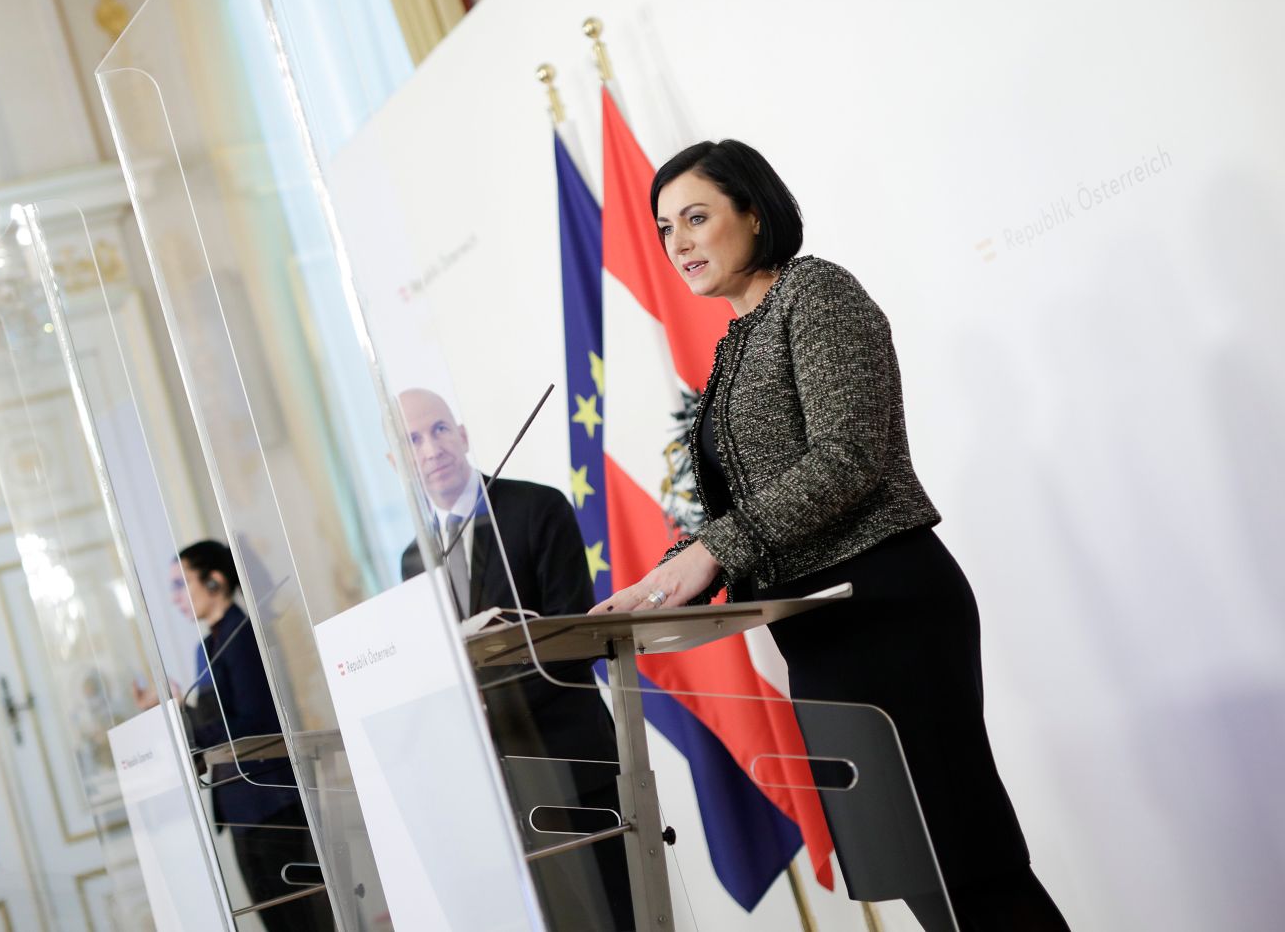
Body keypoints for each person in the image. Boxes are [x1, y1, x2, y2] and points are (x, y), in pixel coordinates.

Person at [593, 140, 1069, 931]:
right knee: (915, 870)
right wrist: (661, 580)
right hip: (821, 633)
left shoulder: (818, 294)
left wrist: (713, 552)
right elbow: (748, 504)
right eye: (664, 226)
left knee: (968, 866)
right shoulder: (734, 343)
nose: (678, 243)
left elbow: (849, 456)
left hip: (888, 610)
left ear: (754, 211)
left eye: (697, 217)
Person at [397, 388, 635, 931]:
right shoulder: (414, 559)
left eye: (438, 430)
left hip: (572, 763)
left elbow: (574, 638)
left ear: (462, 434)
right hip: (498, 784)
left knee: (622, 916)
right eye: (413, 440)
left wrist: (487, 704)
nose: (431, 449)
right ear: (397, 462)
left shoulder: (537, 508)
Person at [134, 539, 334, 932]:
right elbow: (220, 724)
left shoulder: (241, 636)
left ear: (215, 582)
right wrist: (176, 711)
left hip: (270, 802)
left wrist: (185, 722)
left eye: (181, 583)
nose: (174, 596)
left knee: (303, 921)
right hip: (242, 806)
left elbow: (255, 721)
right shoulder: (208, 644)